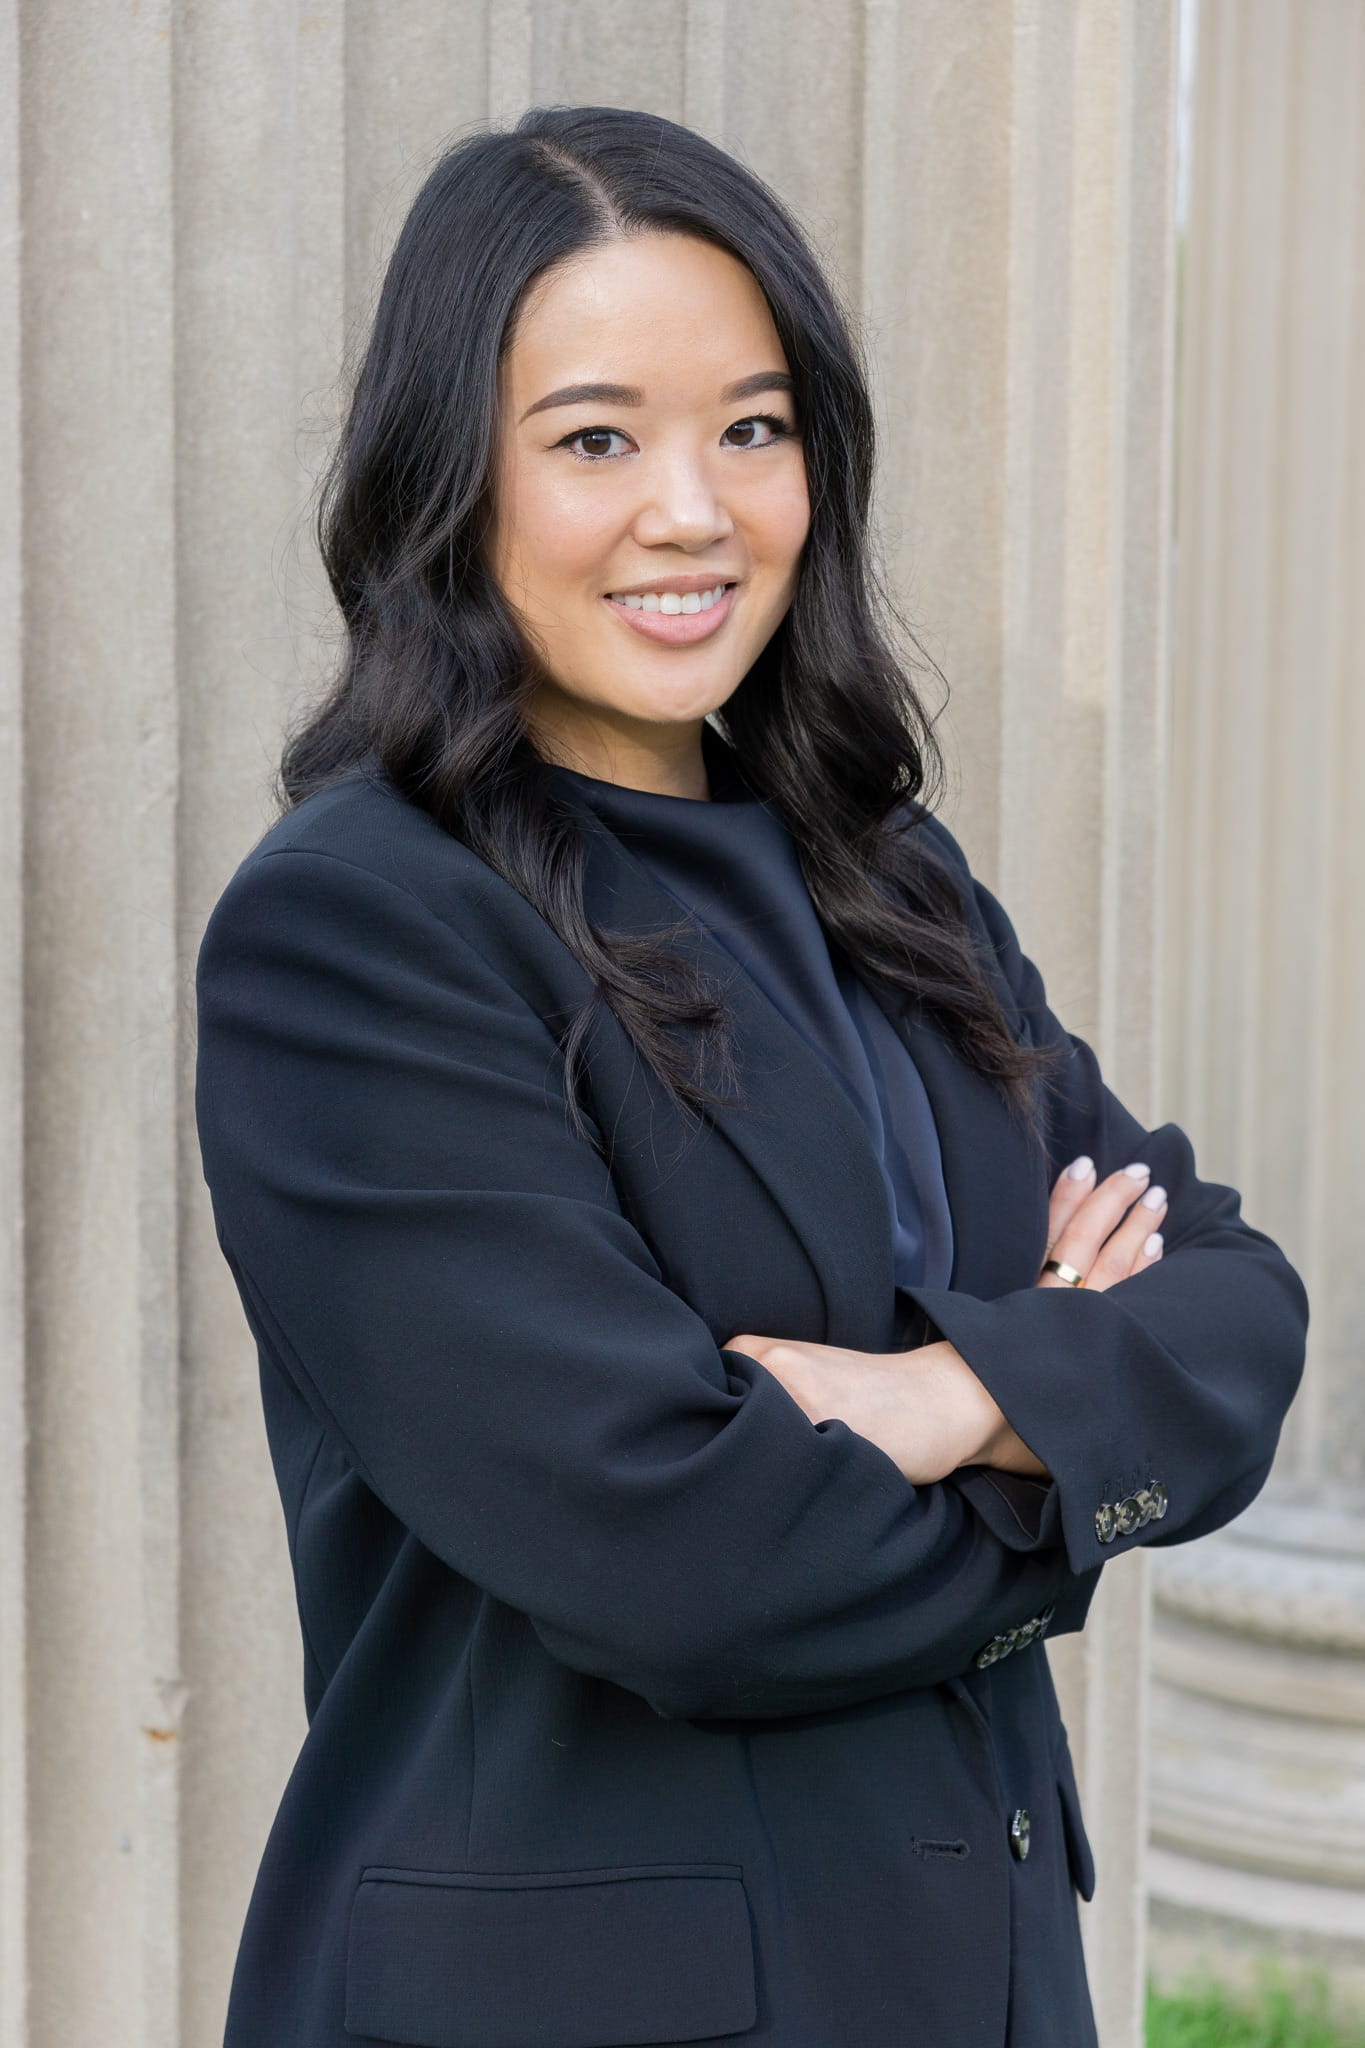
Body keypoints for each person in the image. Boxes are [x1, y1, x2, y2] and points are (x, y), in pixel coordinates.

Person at [193, 104, 1308, 2048]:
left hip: (969, 1983)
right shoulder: (359, 927)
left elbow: (1231, 1316)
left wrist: (936, 1397)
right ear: (449, 476)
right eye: (595, 440)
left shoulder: (879, 874)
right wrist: (1060, 1417)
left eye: (752, 427)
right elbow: (684, 1561)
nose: (694, 511)